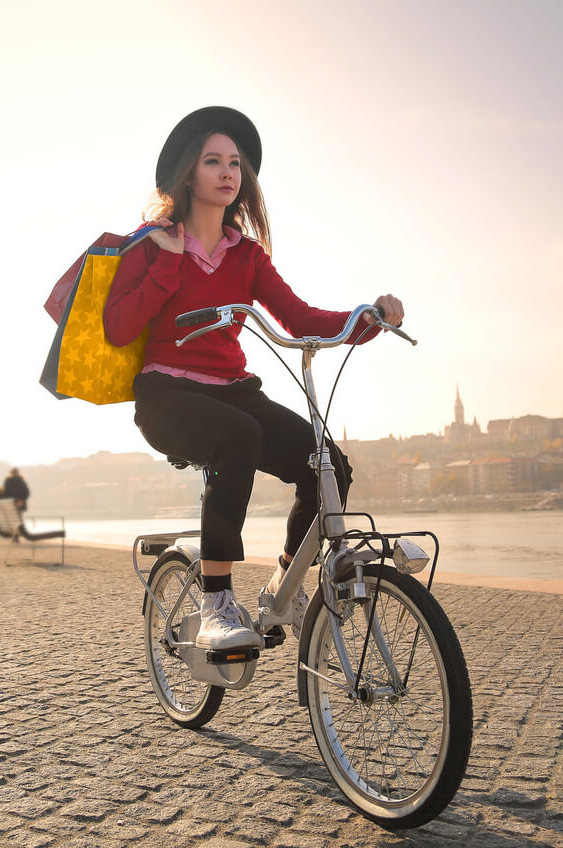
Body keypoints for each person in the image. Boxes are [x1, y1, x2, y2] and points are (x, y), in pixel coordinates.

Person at [103, 106, 404, 651]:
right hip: (167, 395)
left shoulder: (247, 255)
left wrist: (368, 317)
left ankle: (281, 586)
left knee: (328, 464)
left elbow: (303, 319)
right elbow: (119, 326)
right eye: (212, 160)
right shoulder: (152, 243)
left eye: (235, 163)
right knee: (237, 437)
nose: (227, 172)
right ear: (188, 174)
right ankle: (217, 600)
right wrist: (168, 263)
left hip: (233, 393)